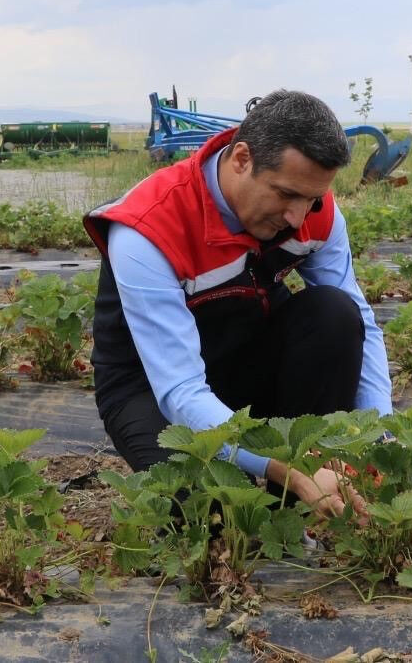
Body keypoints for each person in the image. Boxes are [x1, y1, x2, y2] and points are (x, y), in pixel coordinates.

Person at [83, 89, 392, 517]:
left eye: (312, 199)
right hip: (153, 388)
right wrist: (291, 469)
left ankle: (300, 497)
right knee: (209, 509)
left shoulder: (314, 211)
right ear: (242, 159)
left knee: (335, 314)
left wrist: (374, 436)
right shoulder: (147, 229)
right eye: (286, 194)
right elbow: (181, 390)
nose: (298, 217)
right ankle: (287, 486)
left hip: (245, 359)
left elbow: (362, 322)